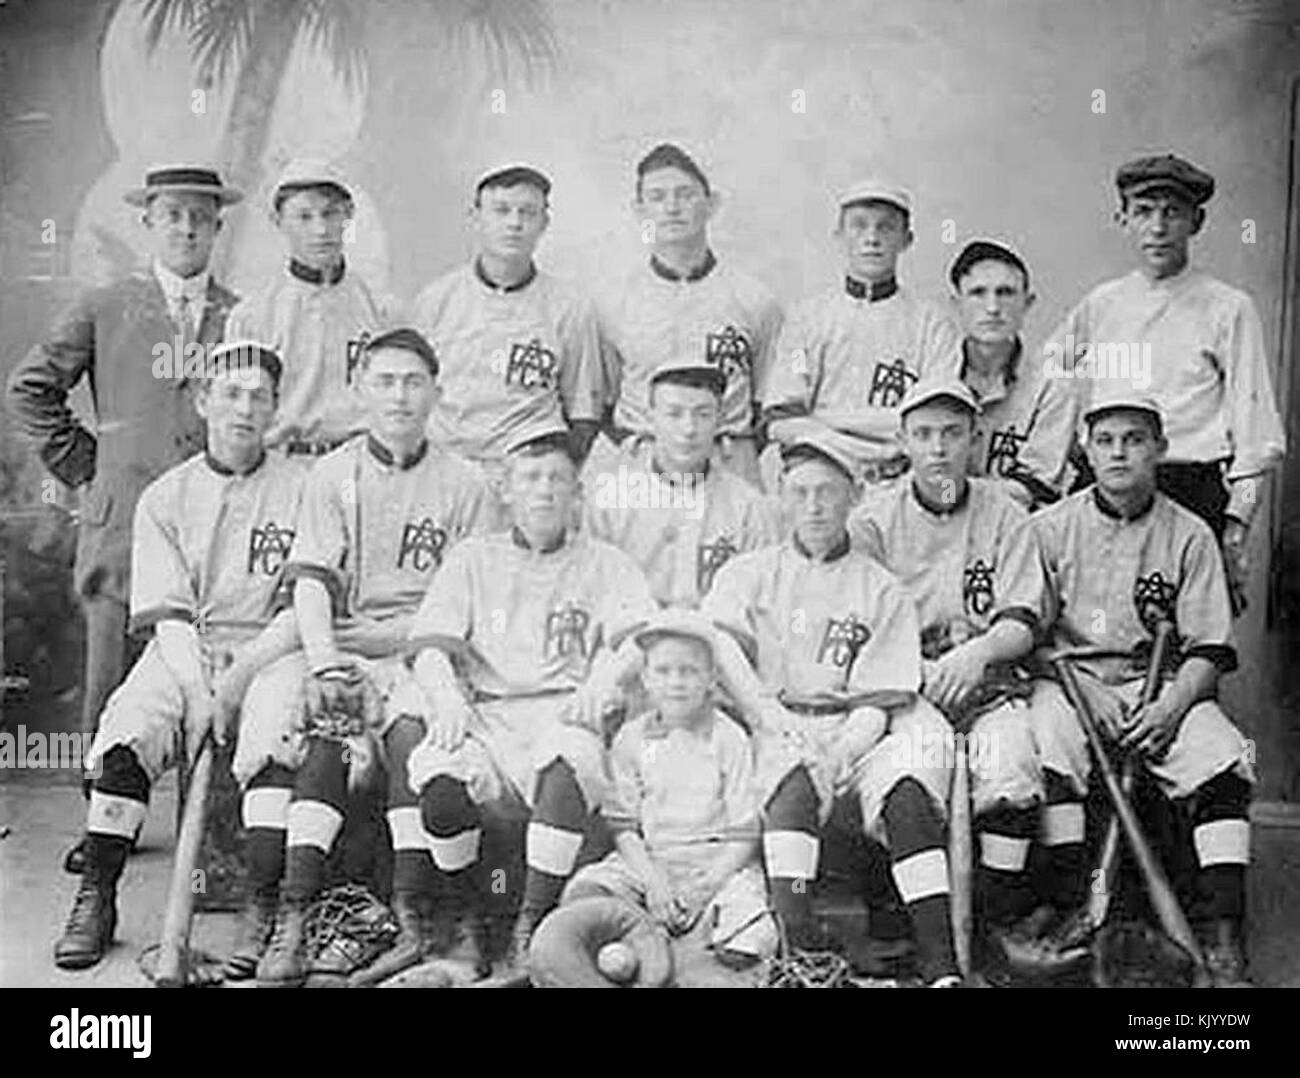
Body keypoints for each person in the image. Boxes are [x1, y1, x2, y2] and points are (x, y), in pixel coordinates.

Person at [233, 328, 492, 987]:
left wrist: (363, 642)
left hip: (424, 651)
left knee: (417, 730)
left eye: (413, 382)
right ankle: (284, 910)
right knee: (305, 712)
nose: (400, 396)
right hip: (337, 640)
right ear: (361, 390)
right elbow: (313, 583)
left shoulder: (467, 482)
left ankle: (415, 919)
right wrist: (324, 659)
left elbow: (461, 611)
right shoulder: (334, 472)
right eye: (385, 381)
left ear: (436, 391)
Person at [6, 165, 242, 872]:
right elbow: (30, 390)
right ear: (149, 222)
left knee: (211, 665)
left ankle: (214, 838)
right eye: (172, 215)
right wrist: (90, 469)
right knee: (112, 674)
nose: (187, 228)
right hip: (123, 523)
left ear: (218, 228)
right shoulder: (107, 305)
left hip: (214, 523)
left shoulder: (243, 313)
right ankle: (106, 829)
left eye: (200, 216)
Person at [52, 344, 304, 971]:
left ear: (275, 406)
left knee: (274, 739)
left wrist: (240, 676)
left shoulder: (307, 488)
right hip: (185, 647)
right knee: (126, 731)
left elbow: (306, 605)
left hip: (272, 648)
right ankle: (97, 894)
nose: (244, 408)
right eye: (230, 393)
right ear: (203, 401)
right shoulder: (165, 496)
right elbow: (168, 617)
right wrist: (197, 692)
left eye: (259, 396)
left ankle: (262, 906)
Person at [1001, 393, 1255, 986]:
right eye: (1106, 439)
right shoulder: (1046, 527)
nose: (1119, 451)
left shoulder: (1190, 533)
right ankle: (1070, 904)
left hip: (1163, 685)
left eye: (1135, 439)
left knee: (1224, 755)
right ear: (1085, 450)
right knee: (1052, 743)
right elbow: (1025, 637)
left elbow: (1211, 649)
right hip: (1068, 681)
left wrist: (1169, 708)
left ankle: (1222, 933)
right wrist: (1084, 689)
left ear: (1161, 450)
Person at [701, 430, 963, 987]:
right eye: (800, 493)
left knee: (911, 786)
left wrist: (839, 753)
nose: (814, 506)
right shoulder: (748, 572)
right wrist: (776, 723)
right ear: (782, 498)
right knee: (788, 777)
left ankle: (941, 965)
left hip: (858, 729)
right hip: (775, 719)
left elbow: (878, 698)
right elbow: (722, 651)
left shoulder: (881, 586)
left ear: (854, 496)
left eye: (827, 492)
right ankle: (803, 948)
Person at [404, 422, 658, 984]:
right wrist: (445, 698)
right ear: (507, 490)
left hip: (565, 709)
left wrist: (604, 679)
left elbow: (637, 640)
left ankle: (532, 928)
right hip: (488, 712)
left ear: (577, 494)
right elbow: (427, 646)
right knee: (441, 777)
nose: (544, 490)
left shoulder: (606, 561)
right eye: (531, 478)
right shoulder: (474, 558)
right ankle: (468, 919)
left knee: (570, 759)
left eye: (557, 480)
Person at [849, 379, 1044, 975]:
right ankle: (914, 931)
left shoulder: (1006, 514)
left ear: (974, 439)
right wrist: (919, 671)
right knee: (910, 773)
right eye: (924, 434)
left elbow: (1023, 619)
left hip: (987, 681)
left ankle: (990, 923)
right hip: (908, 686)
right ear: (904, 440)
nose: (938, 448)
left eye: (952, 433)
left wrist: (978, 652)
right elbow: (859, 624)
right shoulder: (873, 520)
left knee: (1012, 765)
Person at [1045, 154, 1286, 607]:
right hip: (1105, 492)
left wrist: (1236, 523)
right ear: (1123, 219)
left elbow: (1259, 438)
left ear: (1196, 221)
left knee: (1187, 646)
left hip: (1189, 491)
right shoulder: (1101, 305)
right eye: (1143, 211)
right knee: (1091, 623)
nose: (1157, 227)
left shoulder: (1228, 308)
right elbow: (1049, 392)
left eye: (1172, 212)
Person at [561, 611, 775, 966]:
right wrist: (654, 883)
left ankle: (691, 949)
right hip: (652, 859)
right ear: (645, 678)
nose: (676, 682)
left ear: (712, 679)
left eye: (689, 671)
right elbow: (624, 827)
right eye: (663, 671)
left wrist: (704, 888)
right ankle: (649, 940)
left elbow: (744, 832)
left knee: (749, 941)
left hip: (717, 863)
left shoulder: (728, 737)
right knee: (585, 896)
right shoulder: (631, 737)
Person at [594, 143, 783, 486]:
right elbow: (601, 403)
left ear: (711, 205)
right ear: (639, 210)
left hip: (728, 461)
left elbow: (768, 403)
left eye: (685, 194)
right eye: (657, 197)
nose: (671, 208)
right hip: (643, 465)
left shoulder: (754, 299)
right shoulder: (612, 302)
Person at [411, 164, 604, 495]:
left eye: (527, 212)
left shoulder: (569, 307)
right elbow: (412, 397)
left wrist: (554, 477)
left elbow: (583, 411)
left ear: (544, 223)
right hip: (446, 473)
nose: (514, 224)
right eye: (501, 211)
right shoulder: (435, 300)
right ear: (475, 217)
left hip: (527, 477)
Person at [762, 180, 962, 489]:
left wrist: (829, 420)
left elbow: (933, 423)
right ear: (839, 236)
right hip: (820, 472)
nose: (872, 238)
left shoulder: (932, 322)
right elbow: (781, 421)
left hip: (899, 480)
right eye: (859, 226)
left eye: (886, 228)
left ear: (906, 239)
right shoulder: (807, 319)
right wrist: (858, 445)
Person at [226, 159, 399, 458]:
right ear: (278, 221)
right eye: (304, 217)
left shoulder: (378, 308)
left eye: (330, 214)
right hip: (288, 463)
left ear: (348, 216)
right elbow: (241, 410)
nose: (320, 229)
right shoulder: (253, 316)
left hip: (360, 464)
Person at [582, 356, 779, 609]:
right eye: (674, 414)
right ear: (651, 417)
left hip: (718, 641)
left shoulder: (749, 508)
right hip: (630, 638)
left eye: (703, 414)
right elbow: (591, 594)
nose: (689, 429)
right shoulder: (607, 502)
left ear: (720, 420)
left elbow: (760, 602)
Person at [947, 240, 1077, 508]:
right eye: (978, 293)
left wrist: (947, 490)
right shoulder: (935, 371)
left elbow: (1037, 484)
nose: (993, 307)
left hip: (1018, 528)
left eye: (1005, 293)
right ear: (956, 303)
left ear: (1027, 303)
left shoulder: (1053, 383)